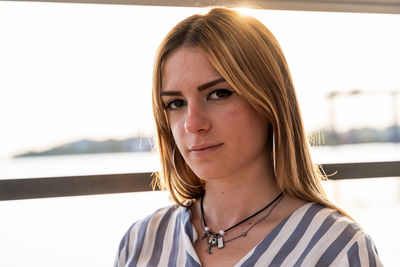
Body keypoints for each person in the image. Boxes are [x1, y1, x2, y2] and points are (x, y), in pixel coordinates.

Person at [115, 7, 382, 266]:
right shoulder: (141, 241)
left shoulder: (336, 249)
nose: (192, 124)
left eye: (219, 94)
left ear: (269, 101)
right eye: (175, 103)